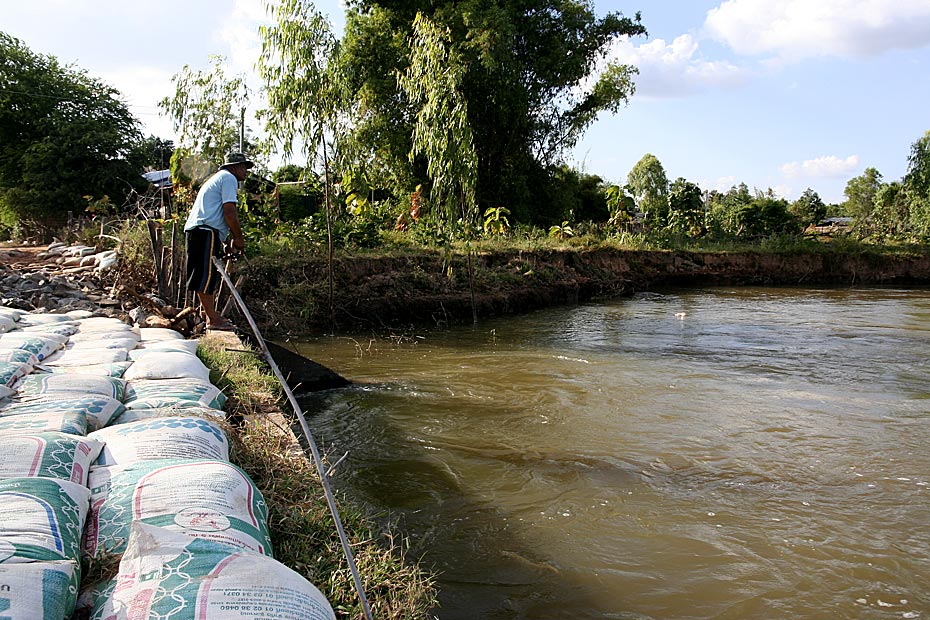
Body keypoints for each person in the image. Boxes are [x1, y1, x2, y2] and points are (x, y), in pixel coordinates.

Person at [183, 152, 252, 331]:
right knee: (206, 276)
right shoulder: (229, 178)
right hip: (205, 231)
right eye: (244, 167)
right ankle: (212, 319)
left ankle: (211, 316)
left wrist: (226, 239)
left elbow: (217, 214)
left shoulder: (219, 178)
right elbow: (229, 212)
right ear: (234, 167)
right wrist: (239, 238)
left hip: (200, 230)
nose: (246, 171)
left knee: (203, 275)